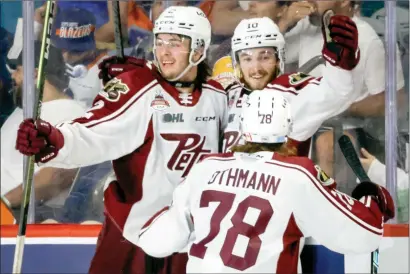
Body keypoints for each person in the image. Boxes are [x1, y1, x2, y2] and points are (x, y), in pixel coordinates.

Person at [15, 6, 227, 274]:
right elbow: (95, 129)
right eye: (160, 41)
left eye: (175, 43)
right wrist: (54, 139)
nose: (164, 51)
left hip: (195, 235)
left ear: (198, 49)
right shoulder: (138, 86)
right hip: (136, 233)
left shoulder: (218, 96)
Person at [124, 91, 395, 273]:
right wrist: (372, 201)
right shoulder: (298, 174)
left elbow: (157, 243)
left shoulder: (206, 168)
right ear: (288, 127)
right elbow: (361, 236)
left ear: (242, 125)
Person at [222, 15, 360, 157]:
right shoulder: (225, 95)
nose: (256, 68)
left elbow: (337, 91)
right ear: (237, 63)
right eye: (247, 59)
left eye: (265, 57)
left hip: (278, 178)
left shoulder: (291, 91)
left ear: (278, 59)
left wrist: (340, 65)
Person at [2, 42, 85, 220]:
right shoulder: (22, 110)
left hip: (26, 216)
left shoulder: (74, 115)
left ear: (35, 74)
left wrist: (5, 202)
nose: (13, 76)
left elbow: (57, 176)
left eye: (17, 70)